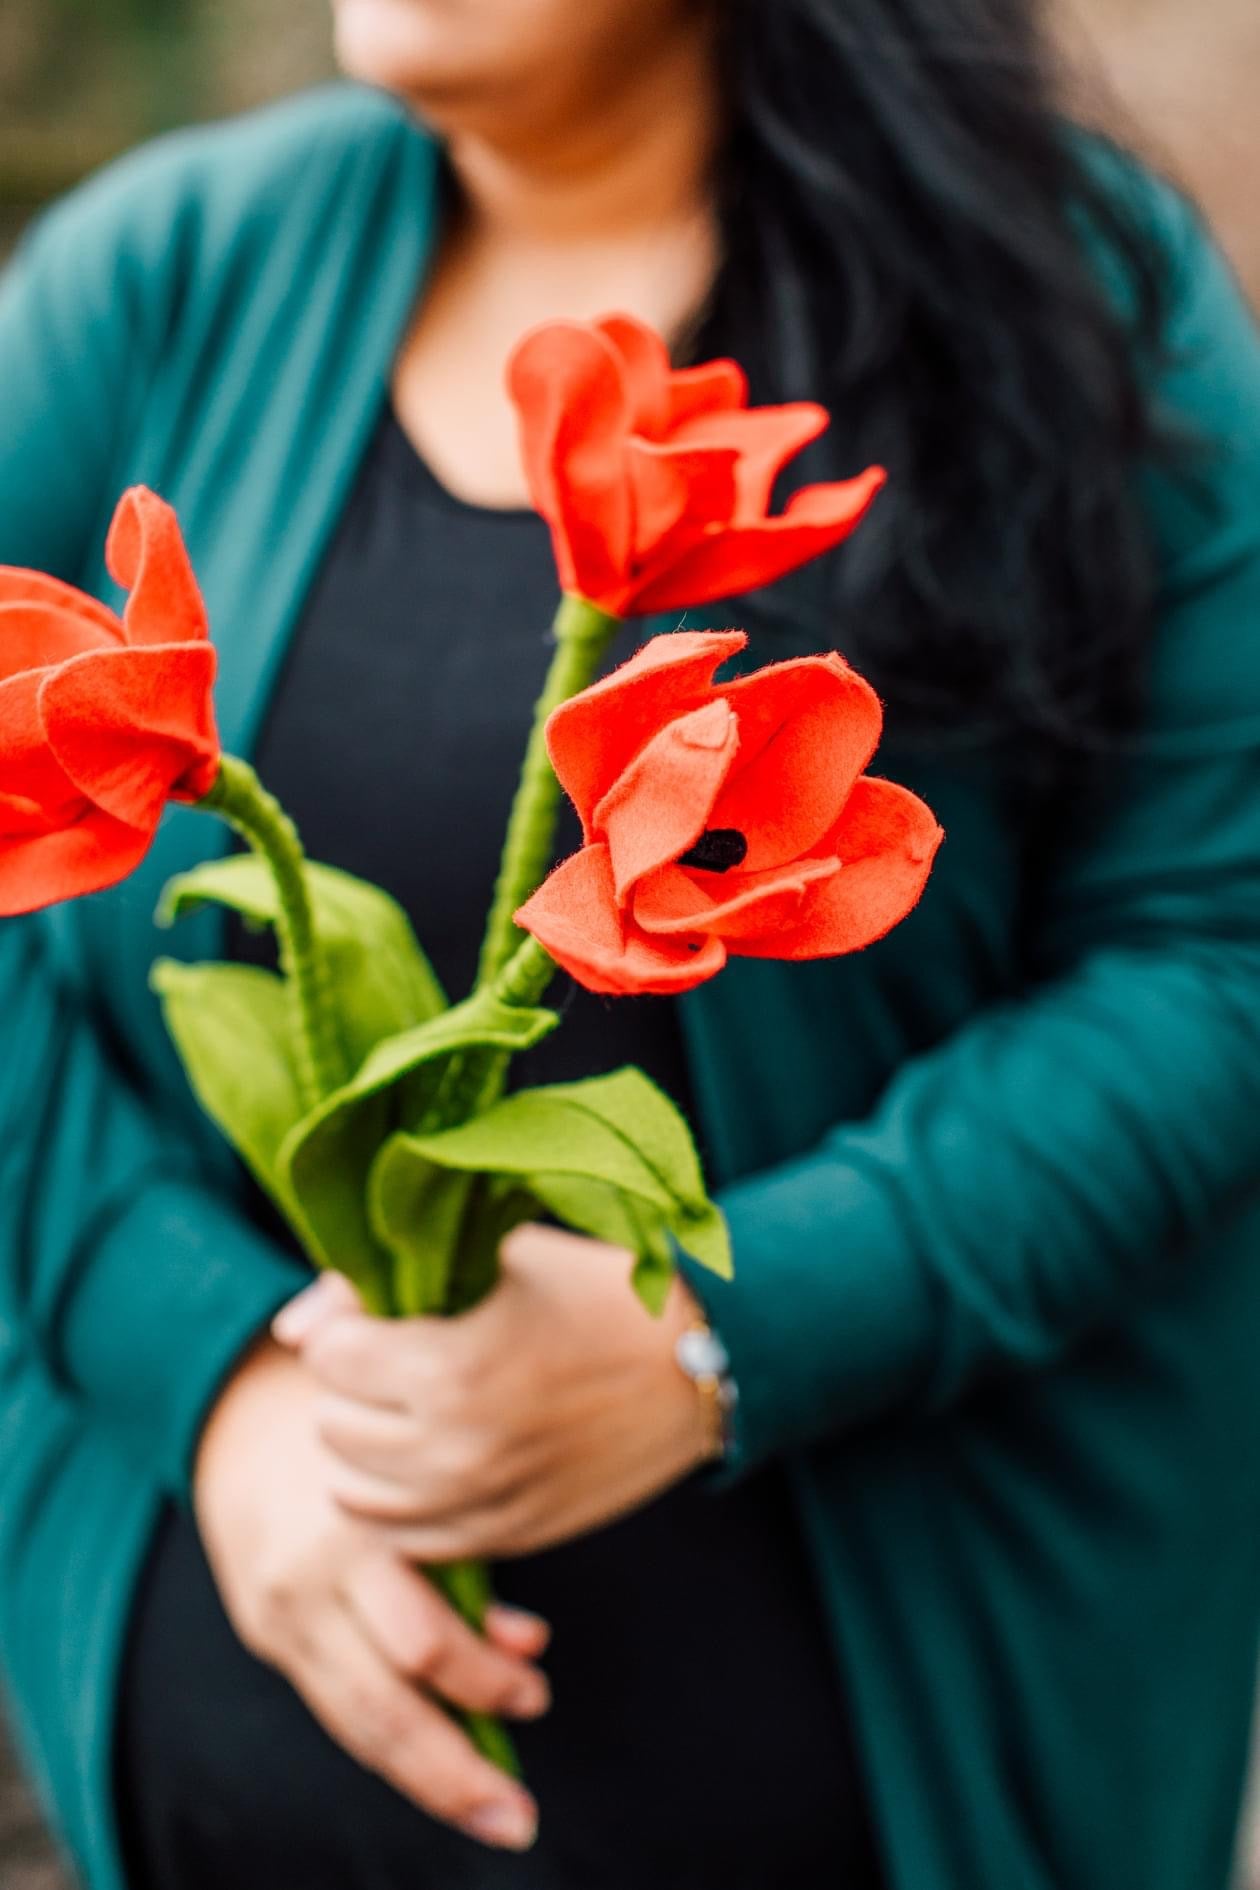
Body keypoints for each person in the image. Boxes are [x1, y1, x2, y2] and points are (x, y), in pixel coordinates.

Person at [2, 2, 1259, 1887]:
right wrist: (221, 1386)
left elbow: (1213, 946)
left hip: (877, 1772)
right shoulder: (151, 274)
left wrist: (725, 1329)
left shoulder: (1068, 292)